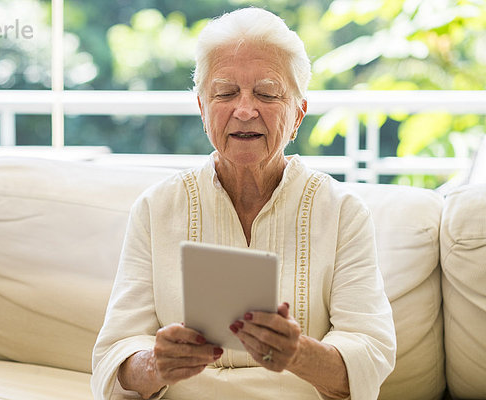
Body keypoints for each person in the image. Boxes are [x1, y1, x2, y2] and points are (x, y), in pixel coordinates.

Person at [92, 7, 396, 400]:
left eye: (267, 94)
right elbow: (116, 352)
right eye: (225, 93)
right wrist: (155, 364)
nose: (245, 110)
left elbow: (370, 354)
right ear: (202, 109)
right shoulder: (156, 208)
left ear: (298, 115)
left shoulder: (342, 213)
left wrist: (298, 353)